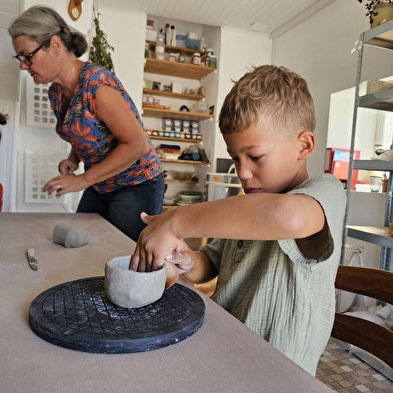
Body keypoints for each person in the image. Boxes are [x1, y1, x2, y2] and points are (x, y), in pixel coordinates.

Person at [130, 65, 346, 376]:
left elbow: (289, 216)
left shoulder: (324, 192)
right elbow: (209, 265)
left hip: (278, 376)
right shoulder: (245, 210)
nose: (242, 172)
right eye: (235, 158)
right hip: (225, 354)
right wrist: (187, 260)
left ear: (304, 146)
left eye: (255, 156)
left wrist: (177, 220)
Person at [8, 6, 164, 242]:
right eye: (19, 58)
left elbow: (136, 145)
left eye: (27, 56)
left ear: (55, 45)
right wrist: (73, 159)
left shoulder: (98, 86)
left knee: (123, 258)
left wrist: (81, 180)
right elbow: (85, 132)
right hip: (100, 183)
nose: (22, 65)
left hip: (136, 183)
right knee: (82, 247)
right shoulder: (56, 93)